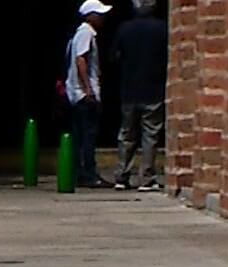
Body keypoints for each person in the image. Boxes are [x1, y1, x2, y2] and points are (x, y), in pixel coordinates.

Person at [113, 0, 167, 192]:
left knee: (126, 134)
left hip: (129, 90)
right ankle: (147, 177)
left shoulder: (124, 29)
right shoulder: (162, 29)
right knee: (150, 135)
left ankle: (121, 175)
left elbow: (117, 57)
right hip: (153, 89)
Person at [64, 0, 111, 189]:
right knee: (88, 136)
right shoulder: (85, 32)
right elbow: (81, 59)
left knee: (80, 136)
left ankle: (80, 173)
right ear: (89, 16)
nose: (102, 18)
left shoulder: (80, 33)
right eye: (99, 14)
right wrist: (88, 89)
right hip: (84, 94)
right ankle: (88, 174)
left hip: (77, 93)